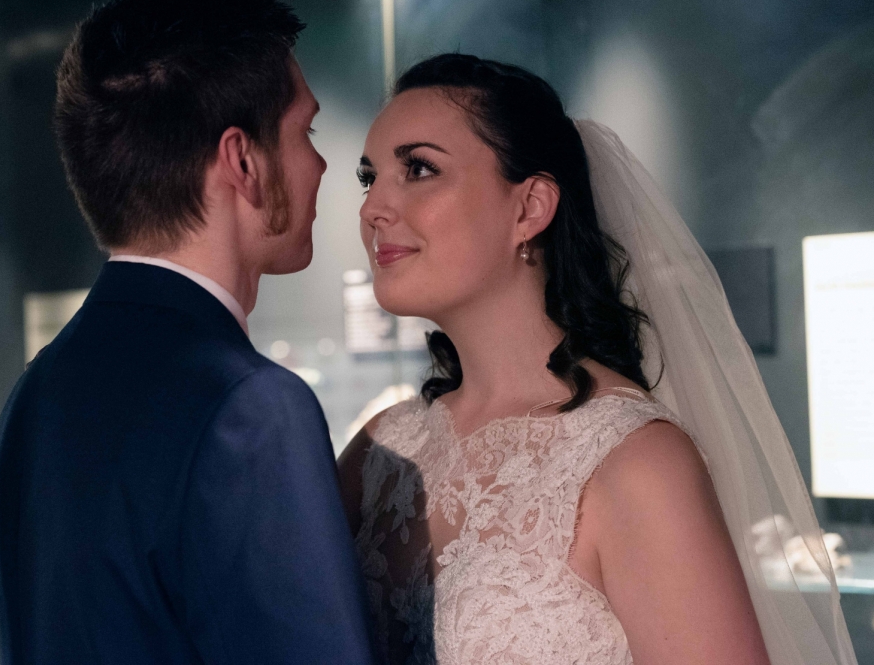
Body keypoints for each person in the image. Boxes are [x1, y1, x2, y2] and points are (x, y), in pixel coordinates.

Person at [339, 53, 857, 664]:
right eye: (370, 177)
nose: (374, 208)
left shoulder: (633, 462)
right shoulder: (381, 450)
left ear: (529, 208)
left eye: (420, 169)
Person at [0, 0, 375, 665]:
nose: (319, 162)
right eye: (304, 130)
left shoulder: (35, 394)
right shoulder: (251, 409)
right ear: (243, 162)